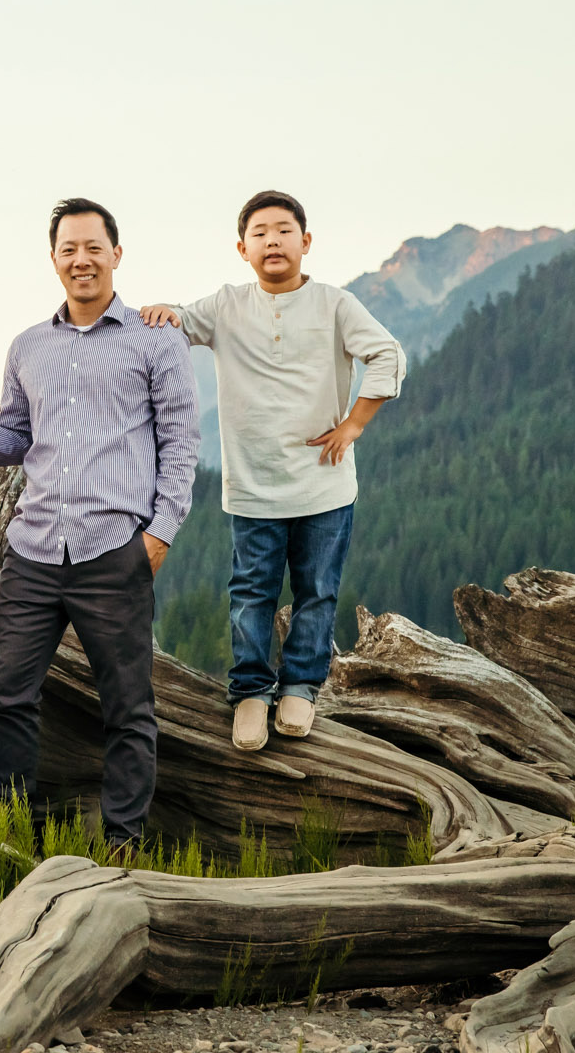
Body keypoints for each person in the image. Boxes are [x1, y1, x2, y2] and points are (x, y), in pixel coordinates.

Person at [0, 198, 197, 851]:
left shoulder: (157, 340)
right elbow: (16, 436)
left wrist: (159, 533)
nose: (81, 259)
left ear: (116, 254)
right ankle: (11, 835)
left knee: (127, 706)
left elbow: (182, 444)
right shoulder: (29, 346)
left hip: (114, 550)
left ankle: (123, 844)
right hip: (34, 549)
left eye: (93, 246)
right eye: (68, 249)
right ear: (53, 260)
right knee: (6, 694)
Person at [141, 191, 405, 753]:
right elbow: (179, 324)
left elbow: (387, 355)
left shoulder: (335, 304)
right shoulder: (228, 305)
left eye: (284, 231)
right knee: (251, 595)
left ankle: (302, 688)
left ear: (305, 243)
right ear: (242, 249)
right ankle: (252, 693)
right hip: (254, 488)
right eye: (259, 233)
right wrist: (165, 311)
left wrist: (354, 423)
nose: (272, 241)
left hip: (324, 484)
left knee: (316, 594)